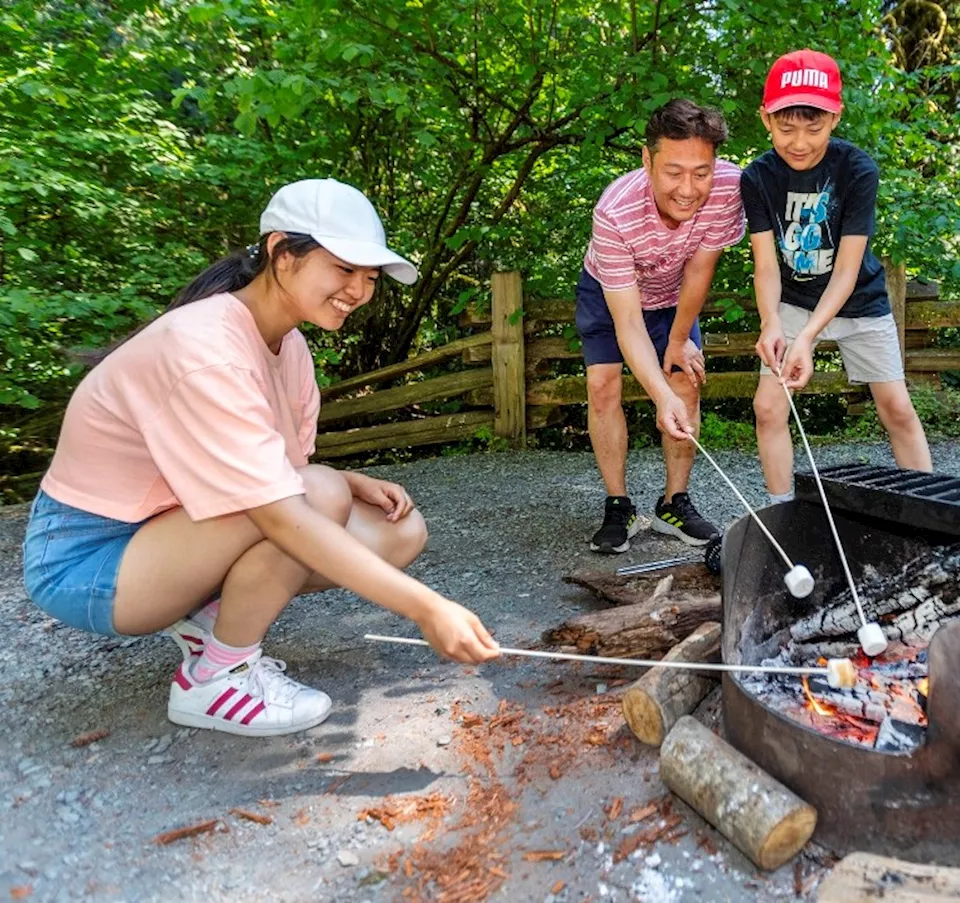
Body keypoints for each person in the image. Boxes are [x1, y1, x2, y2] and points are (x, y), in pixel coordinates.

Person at [23, 178, 500, 737]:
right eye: (344, 269)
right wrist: (427, 609)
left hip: (169, 532)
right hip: (88, 562)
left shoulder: (288, 344)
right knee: (316, 496)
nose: (360, 290)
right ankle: (215, 679)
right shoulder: (206, 346)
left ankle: (208, 618)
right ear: (280, 252)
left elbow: (268, 468)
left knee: (399, 531)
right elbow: (282, 508)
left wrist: (347, 480)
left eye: (370, 277)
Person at [741, 50, 933, 503]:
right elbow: (766, 264)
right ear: (765, 118)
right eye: (786, 128)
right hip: (791, 301)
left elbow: (847, 270)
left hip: (860, 300)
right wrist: (771, 321)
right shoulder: (757, 178)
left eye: (814, 127)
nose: (800, 142)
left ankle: (931, 510)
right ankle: (782, 515)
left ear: (836, 117)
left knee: (897, 409)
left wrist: (807, 338)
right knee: (767, 407)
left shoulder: (857, 170)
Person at [577, 98, 746, 553]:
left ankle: (675, 503)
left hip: (675, 294)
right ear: (647, 159)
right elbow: (628, 322)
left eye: (701, 172)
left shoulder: (730, 188)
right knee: (603, 386)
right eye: (674, 172)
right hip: (612, 295)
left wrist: (677, 342)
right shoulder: (614, 211)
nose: (688, 189)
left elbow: (699, 268)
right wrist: (658, 394)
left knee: (686, 381)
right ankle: (619, 505)